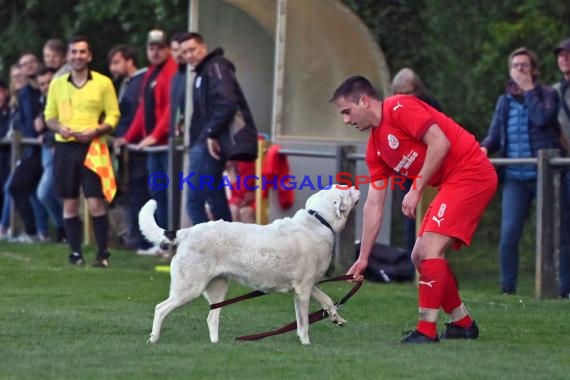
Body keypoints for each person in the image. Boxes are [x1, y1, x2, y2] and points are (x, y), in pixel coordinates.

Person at [331, 75, 497, 344]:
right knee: (419, 255)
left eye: (347, 112)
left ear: (364, 101)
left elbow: (440, 143)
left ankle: (426, 331)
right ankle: (462, 324)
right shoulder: (376, 146)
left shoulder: (399, 107)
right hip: (453, 181)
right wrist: (363, 257)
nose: (346, 121)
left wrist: (416, 188)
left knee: (430, 249)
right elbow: (374, 203)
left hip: (472, 173)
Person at [481, 47, 560, 295]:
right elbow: (495, 135)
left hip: (544, 177)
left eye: (524, 66)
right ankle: (508, 289)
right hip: (515, 177)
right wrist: (483, 148)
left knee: (551, 234)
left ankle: (556, 287)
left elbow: (541, 119)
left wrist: (529, 90)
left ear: (534, 70)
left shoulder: (548, 94)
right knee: (509, 235)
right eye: (515, 66)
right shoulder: (504, 102)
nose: (520, 70)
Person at [45, 36, 120, 267]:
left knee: (96, 201)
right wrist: (60, 127)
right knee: (69, 203)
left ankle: (102, 254)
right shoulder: (57, 83)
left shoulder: (103, 82)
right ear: (68, 56)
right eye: (74, 52)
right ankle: (75, 253)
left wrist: (98, 129)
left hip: (93, 146)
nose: (78, 56)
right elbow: (49, 117)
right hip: (65, 146)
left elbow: (113, 115)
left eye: (82, 52)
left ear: (89, 56)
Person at [179, 32, 257, 224]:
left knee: (194, 203)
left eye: (192, 49)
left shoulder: (215, 67)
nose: (189, 55)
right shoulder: (203, 72)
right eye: (185, 52)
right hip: (205, 143)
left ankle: (207, 251)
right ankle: (227, 250)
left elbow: (227, 103)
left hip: (208, 145)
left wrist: (211, 133)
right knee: (217, 202)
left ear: (203, 48)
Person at [113, 30, 177, 239]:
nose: (156, 52)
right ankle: (162, 241)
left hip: (164, 144)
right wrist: (129, 137)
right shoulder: (150, 73)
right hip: (154, 146)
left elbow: (171, 108)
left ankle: (169, 240)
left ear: (168, 49)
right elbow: (143, 110)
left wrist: (154, 135)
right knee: (157, 193)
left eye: (160, 47)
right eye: (152, 48)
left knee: (167, 193)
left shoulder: (171, 71)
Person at [106, 44, 153, 253]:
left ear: (129, 61)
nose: (113, 68)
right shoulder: (127, 83)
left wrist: (128, 137)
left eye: (116, 63)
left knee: (141, 193)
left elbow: (140, 115)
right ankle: (135, 237)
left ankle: (145, 240)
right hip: (128, 147)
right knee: (130, 193)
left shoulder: (142, 80)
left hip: (138, 147)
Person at [391, 68, 442, 257]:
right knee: (409, 214)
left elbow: (441, 138)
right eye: (400, 93)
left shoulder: (431, 106)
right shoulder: (392, 110)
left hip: (432, 168)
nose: (404, 97)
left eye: (408, 92)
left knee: (433, 214)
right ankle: (411, 261)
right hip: (406, 169)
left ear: (418, 90)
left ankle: (432, 256)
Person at [34, 66, 66, 242]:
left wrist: (46, 136)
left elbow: (66, 126)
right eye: (42, 84)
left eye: (49, 82)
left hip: (58, 149)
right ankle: (62, 229)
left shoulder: (63, 99)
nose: (46, 86)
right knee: (50, 192)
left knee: (44, 192)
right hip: (47, 150)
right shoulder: (44, 100)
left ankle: (63, 227)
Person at [552, 38, 570, 299]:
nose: (564, 59)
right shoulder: (553, 91)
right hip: (564, 166)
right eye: (561, 55)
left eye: (568, 54)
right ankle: (566, 287)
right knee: (564, 228)